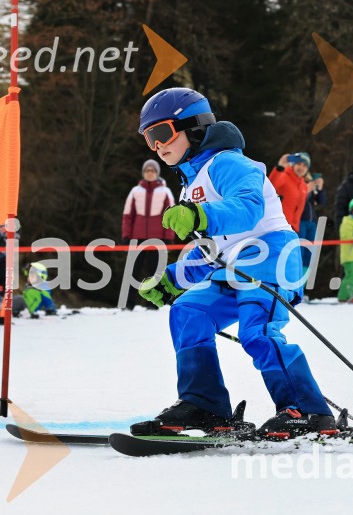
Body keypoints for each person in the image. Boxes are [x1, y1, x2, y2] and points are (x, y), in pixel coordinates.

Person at [133, 87, 335, 438]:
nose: (157, 145)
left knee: (255, 331)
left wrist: (200, 215)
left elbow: (248, 207)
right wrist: (172, 279)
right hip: (233, 265)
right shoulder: (189, 182)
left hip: (271, 255)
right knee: (189, 312)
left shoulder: (229, 163)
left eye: (162, 133)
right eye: (149, 139)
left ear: (193, 126)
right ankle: (205, 405)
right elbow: (211, 249)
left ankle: (306, 410)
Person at [121, 159, 176, 308]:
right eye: (147, 170)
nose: (150, 173)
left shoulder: (165, 192)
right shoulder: (135, 191)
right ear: (143, 173)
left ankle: (153, 303)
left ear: (157, 173)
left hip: (158, 238)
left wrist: (168, 238)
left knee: (155, 271)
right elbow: (127, 215)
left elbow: (170, 215)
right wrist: (126, 236)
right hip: (137, 237)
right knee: (133, 270)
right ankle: (128, 304)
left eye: (152, 170)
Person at [268, 152, 310, 233]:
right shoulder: (284, 176)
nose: (301, 167)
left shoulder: (304, 186)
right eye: (299, 164)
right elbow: (270, 186)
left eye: (304, 165)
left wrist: (296, 228)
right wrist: (280, 167)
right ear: (293, 165)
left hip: (293, 228)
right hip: (278, 225)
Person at [299, 171, 326, 275]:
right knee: (299, 252)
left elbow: (322, 201)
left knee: (309, 254)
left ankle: (302, 284)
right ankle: (293, 283)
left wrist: (320, 188)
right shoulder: (299, 184)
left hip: (311, 222)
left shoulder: (309, 185)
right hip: (300, 221)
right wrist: (306, 189)